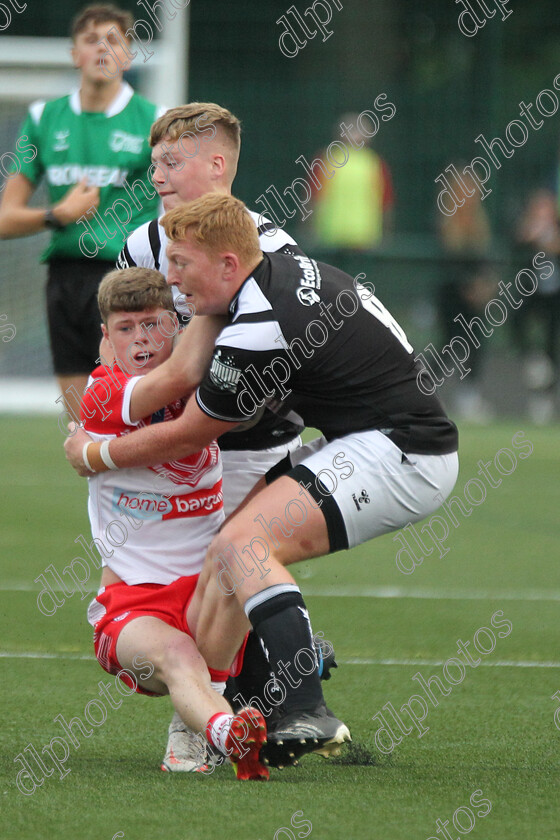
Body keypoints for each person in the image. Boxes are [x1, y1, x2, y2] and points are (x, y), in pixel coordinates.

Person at [65, 193, 459, 768]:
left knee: (242, 544)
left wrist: (93, 454)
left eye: (182, 265)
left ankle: (303, 705)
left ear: (228, 263)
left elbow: (188, 433)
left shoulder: (256, 325)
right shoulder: (261, 270)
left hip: (401, 448)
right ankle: (250, 698)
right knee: (232, 549)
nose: (171, 280)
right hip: (364, 436)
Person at [116, 101, 313, 772]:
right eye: (153, 164)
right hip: (177, 444)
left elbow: (271, 360)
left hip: (248, 441)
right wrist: (113, 402)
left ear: (217, 164)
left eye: (172, 162)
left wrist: (105, 450)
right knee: (174, 590)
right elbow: (128, 332)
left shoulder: (271, 248)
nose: (159, 176)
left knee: (223, 576)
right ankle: (231, 691)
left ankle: (195, 723)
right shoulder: (142, 242)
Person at [81, 265, 269, 781]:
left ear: (176, 323)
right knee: (178, 652)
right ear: (106, 337)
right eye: (125, 328)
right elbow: (175, 382)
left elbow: (213, 330)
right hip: (132, 607)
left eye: (153, 324)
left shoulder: (204, 377)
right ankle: (228, 727)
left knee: (251, 561)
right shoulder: (103, 392)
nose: (141, 338)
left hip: (204, 592)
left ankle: (212, 732)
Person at [0, 4, 162, 418]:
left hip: (127, 278)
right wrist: (57, 214)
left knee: (128, 411)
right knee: (81, 419)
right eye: (92, 40)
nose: (103, 50)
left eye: (114, 41)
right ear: (74, 54)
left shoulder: (154, 123)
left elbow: (183, 204)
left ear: (128, 55)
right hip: (65, 278)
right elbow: (5, 218)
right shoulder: (44, 119)